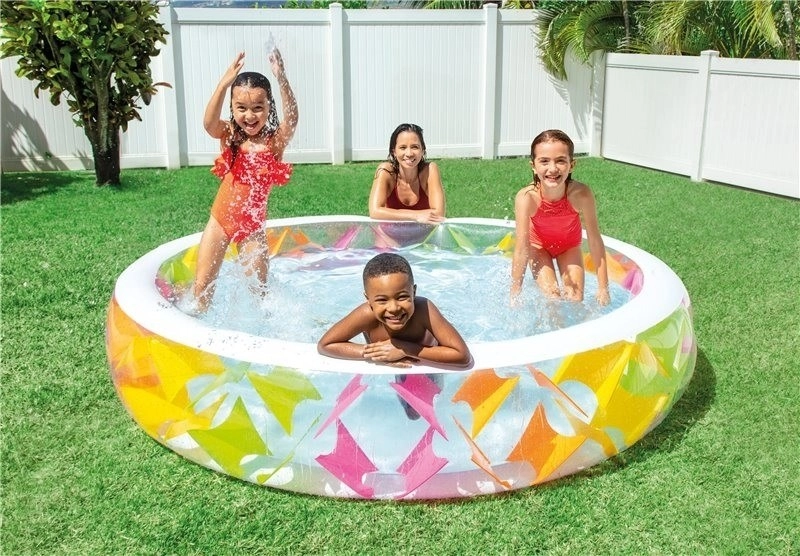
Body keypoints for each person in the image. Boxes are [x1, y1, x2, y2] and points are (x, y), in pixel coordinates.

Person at [192, 50, 298, 312]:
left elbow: (292, 118)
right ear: (232, 107)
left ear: (269, 107)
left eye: (258, 108)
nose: (249, 116)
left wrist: (281, 78)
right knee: (201, 290)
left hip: (251, 228)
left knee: (257, 298)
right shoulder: (229, 135)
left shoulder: (274, 142)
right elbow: (208, 124)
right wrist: (223, 84)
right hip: (219, 222)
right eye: (241, 108)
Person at [317, 253, 472, 368]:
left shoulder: (424, 310)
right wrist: (379, 354)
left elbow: (462, 356)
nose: (394, 308)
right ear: (368, 300)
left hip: (430, 362)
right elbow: (326, 345)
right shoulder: (366, 314)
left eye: (402, 297)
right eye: (382, 300)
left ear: (414, 292)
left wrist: (405, 349)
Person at [510, 129, 610, 305]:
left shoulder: (582, 195)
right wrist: (515, 293)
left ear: (572, 165)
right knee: (553, 298)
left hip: (568, 248)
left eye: (561, 161)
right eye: (544, 161)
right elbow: (522, 248)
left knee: (575, 299)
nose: (553, 169)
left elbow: (594, 240)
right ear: (533, 165)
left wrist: (603, 288)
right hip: (538, 248)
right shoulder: (526, 198)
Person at [368, 123, 446, 224]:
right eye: (403, 147)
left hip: (425, 233)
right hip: (389, 232)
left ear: (422, 150)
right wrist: (416, 216)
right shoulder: (386, 172)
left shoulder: (430, 170)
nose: (409, 153)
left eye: (415, 147)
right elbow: (375, 211)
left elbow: (439, 213)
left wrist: (390, 214)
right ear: (394, 152)